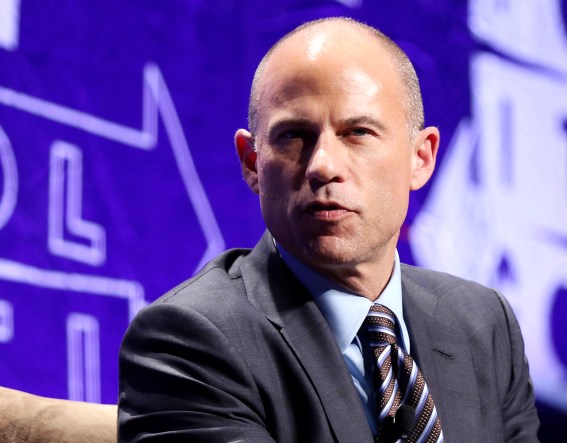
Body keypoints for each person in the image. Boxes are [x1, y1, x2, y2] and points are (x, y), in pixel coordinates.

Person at [118, 17, 539, 442]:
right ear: (252, 163)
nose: (323, 166)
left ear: (421, 158)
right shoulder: (188, 338)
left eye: (358, 132)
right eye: (294, 135)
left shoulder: (485, 322)